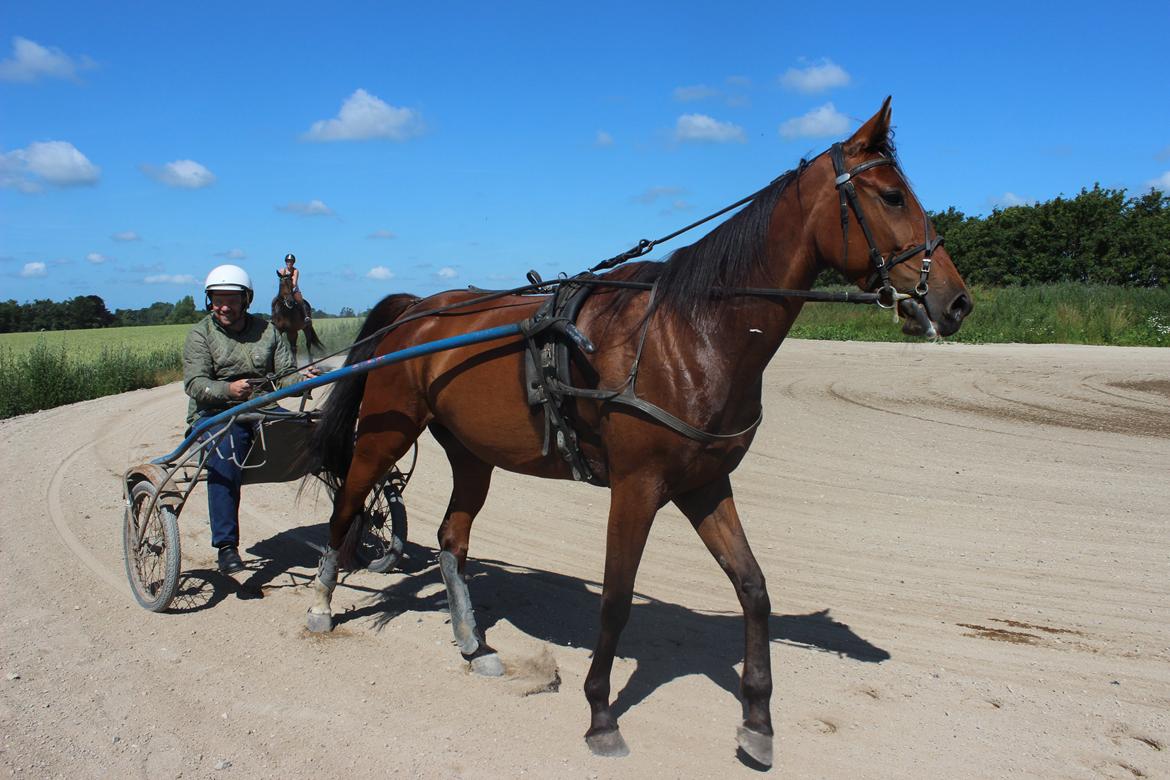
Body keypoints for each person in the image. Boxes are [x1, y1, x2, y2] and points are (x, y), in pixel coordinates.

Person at [182, 264, 319, 574]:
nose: (224, 307)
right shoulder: (200, 335)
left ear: (246, 300)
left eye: (231, 299)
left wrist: (302, 377)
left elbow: (284, 376)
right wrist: (228, 389)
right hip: (215, 414)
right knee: (227, 448)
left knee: (307, 431)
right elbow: (194, 384)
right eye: (218, 300)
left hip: (261, 408)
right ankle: (226, 546)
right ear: (209, 301)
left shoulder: (267, 331)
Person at [277, 252, 312, 321]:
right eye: (288, 261)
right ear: (286, 262)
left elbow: (294, 283)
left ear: (293, 263)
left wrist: (289, 289)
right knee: (275, 301)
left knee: (300, 300)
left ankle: (306, 316)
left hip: (294, 289)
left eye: (291, 261)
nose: (289, 263)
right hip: (284, 291)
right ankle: (274, 317)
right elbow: (281, 282)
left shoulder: (295, 271)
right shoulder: (282, 270)